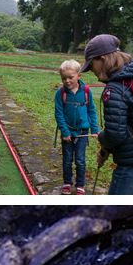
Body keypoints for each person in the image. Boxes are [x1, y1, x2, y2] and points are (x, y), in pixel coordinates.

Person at [82, 33, 133, 195]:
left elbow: (116, 134)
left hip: (132, 163)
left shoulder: (115, 88)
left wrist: (101, 137)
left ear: (102, 59)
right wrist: (105, 150)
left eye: (92, 65)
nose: (92, 70)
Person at [54, 60, 99, 196]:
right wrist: (65, 131)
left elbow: (91, 110)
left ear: (79, 76)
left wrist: (95, 129)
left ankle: (80, 185)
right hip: (68, 132)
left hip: (82, 132)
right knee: (67, 159)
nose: (67, 81)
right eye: (64, 78)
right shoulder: (60, 93)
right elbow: (59, 113)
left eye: (70, 77)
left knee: (80, 159)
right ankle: (67, 183)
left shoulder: (86, 92)